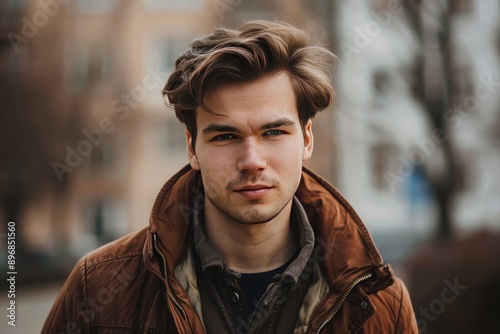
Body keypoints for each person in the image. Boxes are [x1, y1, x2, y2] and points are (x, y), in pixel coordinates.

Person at [43, 20, 418, 333]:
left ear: (306, 139)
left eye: (273, 132)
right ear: (192, 148)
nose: (252, 160)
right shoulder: (99, 287)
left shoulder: (382, 304)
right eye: (225, 136)